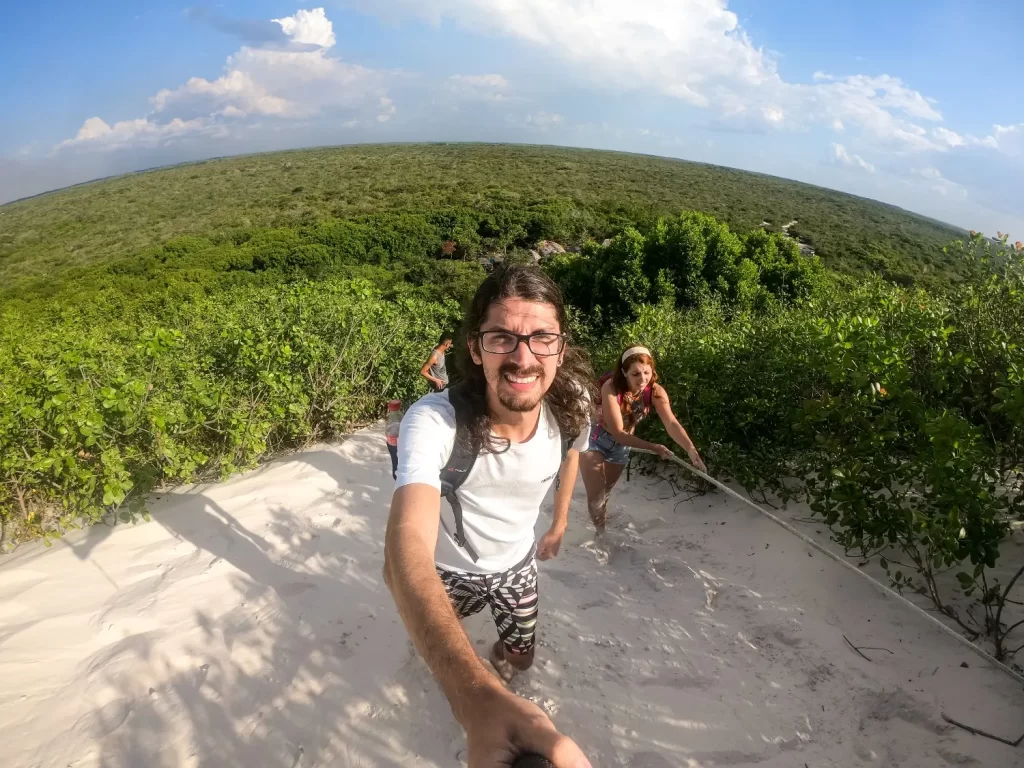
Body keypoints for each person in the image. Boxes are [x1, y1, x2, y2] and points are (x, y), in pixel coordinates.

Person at [384, 266, 593, 768]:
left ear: (561, 349)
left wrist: (560, 521)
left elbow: (570, 458)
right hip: (450, 569)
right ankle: (479, 685)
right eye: (503, 338)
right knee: (435, 639)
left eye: (541, 338)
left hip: (518, 565)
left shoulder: (572, 407)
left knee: (520, 657)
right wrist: (474, 697)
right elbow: (403, 556)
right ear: (476, 350)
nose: (523, 358)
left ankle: (503, 676)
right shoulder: (436, 421)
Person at [581, 345, 706, 533]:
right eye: (636, 374)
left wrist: (690, 449)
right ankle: (600, 533)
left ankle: (599, 518)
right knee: (596, 495)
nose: (642, 380)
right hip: (594, 439)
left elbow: (671, 423)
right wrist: (653, 447)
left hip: (621, 447)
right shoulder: (611, 387)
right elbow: (617, 432)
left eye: (647, 372)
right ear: (624, 372)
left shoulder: (655, 391)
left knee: (605, 492)